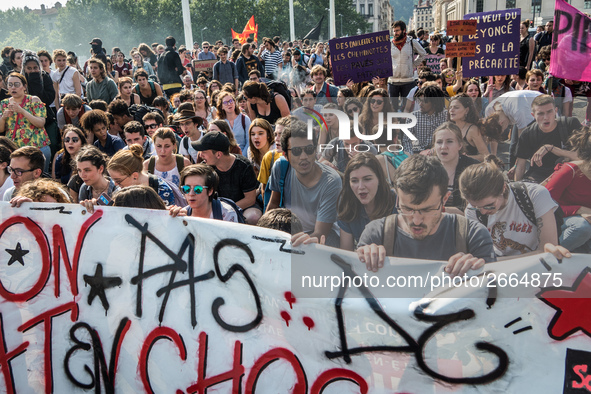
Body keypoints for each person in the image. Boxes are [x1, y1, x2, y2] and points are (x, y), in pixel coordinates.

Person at [356, 155, 496, 275]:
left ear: (445, 199)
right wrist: (362, 262)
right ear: (397, 197)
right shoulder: (376, 234)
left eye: (427, 210)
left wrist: (479, 272)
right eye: (407, 209)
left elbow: (495, 296)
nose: (416, 220)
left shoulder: (473, 235)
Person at [460, 156, 558, 259]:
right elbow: (479, 255)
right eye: (476, 207)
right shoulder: (472, 211)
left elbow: (548, 250)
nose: (483, 212)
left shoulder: (534, 195)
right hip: (500, 265)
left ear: (503, 188)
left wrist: (498, 261)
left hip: (536, 264)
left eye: (489, 205)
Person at [267, 120, 342, 246]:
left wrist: (288, 247)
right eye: (296, 151)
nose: (304, 156)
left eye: (308, 149)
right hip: (289, 230)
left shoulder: (331, 181)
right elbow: (274, 203)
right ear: (285, 155)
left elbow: (320, 233)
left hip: (323, 238)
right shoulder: (281, 167)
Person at [191, 130, 261, 224]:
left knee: (253, 216)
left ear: (218, 154)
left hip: (242, 208)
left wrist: (227, 211)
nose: (200, 154)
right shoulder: (205, 168)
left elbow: (250, 199)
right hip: (216, 208)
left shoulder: (243, 166)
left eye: (204, 151)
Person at [514, 95, 581, 183]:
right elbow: (520, 166)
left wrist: (550, 148)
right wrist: (517, 189)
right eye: (540, 113)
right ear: (533, 115)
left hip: (568, 175)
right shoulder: (527, 133)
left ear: (556, 111)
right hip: (539, 178)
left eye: (549, 112)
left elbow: (582, 157)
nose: (546, 117)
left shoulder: (571, 124)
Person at [336, 153, 396, 250]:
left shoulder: (396, 203)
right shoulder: (347, 205)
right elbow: (346, 253)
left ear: (379, 179)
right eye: (354, 181)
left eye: (367, 179)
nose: (361, 187)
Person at [546, 127, 591, 253]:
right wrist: (578, 210)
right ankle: (549, 255)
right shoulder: (569, 171)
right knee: (582, 227)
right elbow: (543, 206)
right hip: (562, 221)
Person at [0, 72, 50, 167]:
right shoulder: (4, 103)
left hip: (37, 148)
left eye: (16, 84)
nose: (13, 87)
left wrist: (22, 111)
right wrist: (3, 118)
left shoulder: (34, 100)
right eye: (10, 85)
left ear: (24, 86)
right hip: (14, 150)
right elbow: (1, 129)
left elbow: (41, 123)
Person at [431, 122, 479, 215]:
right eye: (439, 142)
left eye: (449, 141)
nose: (443, 147)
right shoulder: (428, 167)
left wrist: (440, 210)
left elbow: (472, 208)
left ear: (460, 145)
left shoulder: (473, 168)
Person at [107, 144, 176, 206]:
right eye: (113, 180)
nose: (115, 184)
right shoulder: (119, 191)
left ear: (135, 176)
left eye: (118, 181)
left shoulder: (162, 191)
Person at [168, 164, 240, 222]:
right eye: (186, 189)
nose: (191, 193)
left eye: (198, 189)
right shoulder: (182, 215)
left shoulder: (226, 213)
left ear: (210, 191)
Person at [388, 21, 426, 112]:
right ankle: (394, 124)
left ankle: (406, 124)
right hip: (393, 81)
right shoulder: (389, 43)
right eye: (394, 31)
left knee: (407, 108)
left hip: (408, 81)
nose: (395, 33)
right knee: (392, 108)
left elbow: (423, 53)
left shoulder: (411, 42)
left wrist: (413, 65)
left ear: (404, 30)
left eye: (397, 31)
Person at [402, 85, 447, 154]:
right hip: (418, 153)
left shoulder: (446, 116)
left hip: (439, 153)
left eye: (424, 102)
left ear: (434, 103)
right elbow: (406, 140)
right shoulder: (413, 116)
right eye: (420, 101)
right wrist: (410, 155)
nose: (420, 104)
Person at [448, 94, 491, 161]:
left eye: (456, 107)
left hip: (467, 169)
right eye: (450, 107)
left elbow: (485, 155)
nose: (451, 110)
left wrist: (466, 157)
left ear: (466, 110)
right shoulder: (449, 127)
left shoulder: (472, 130)